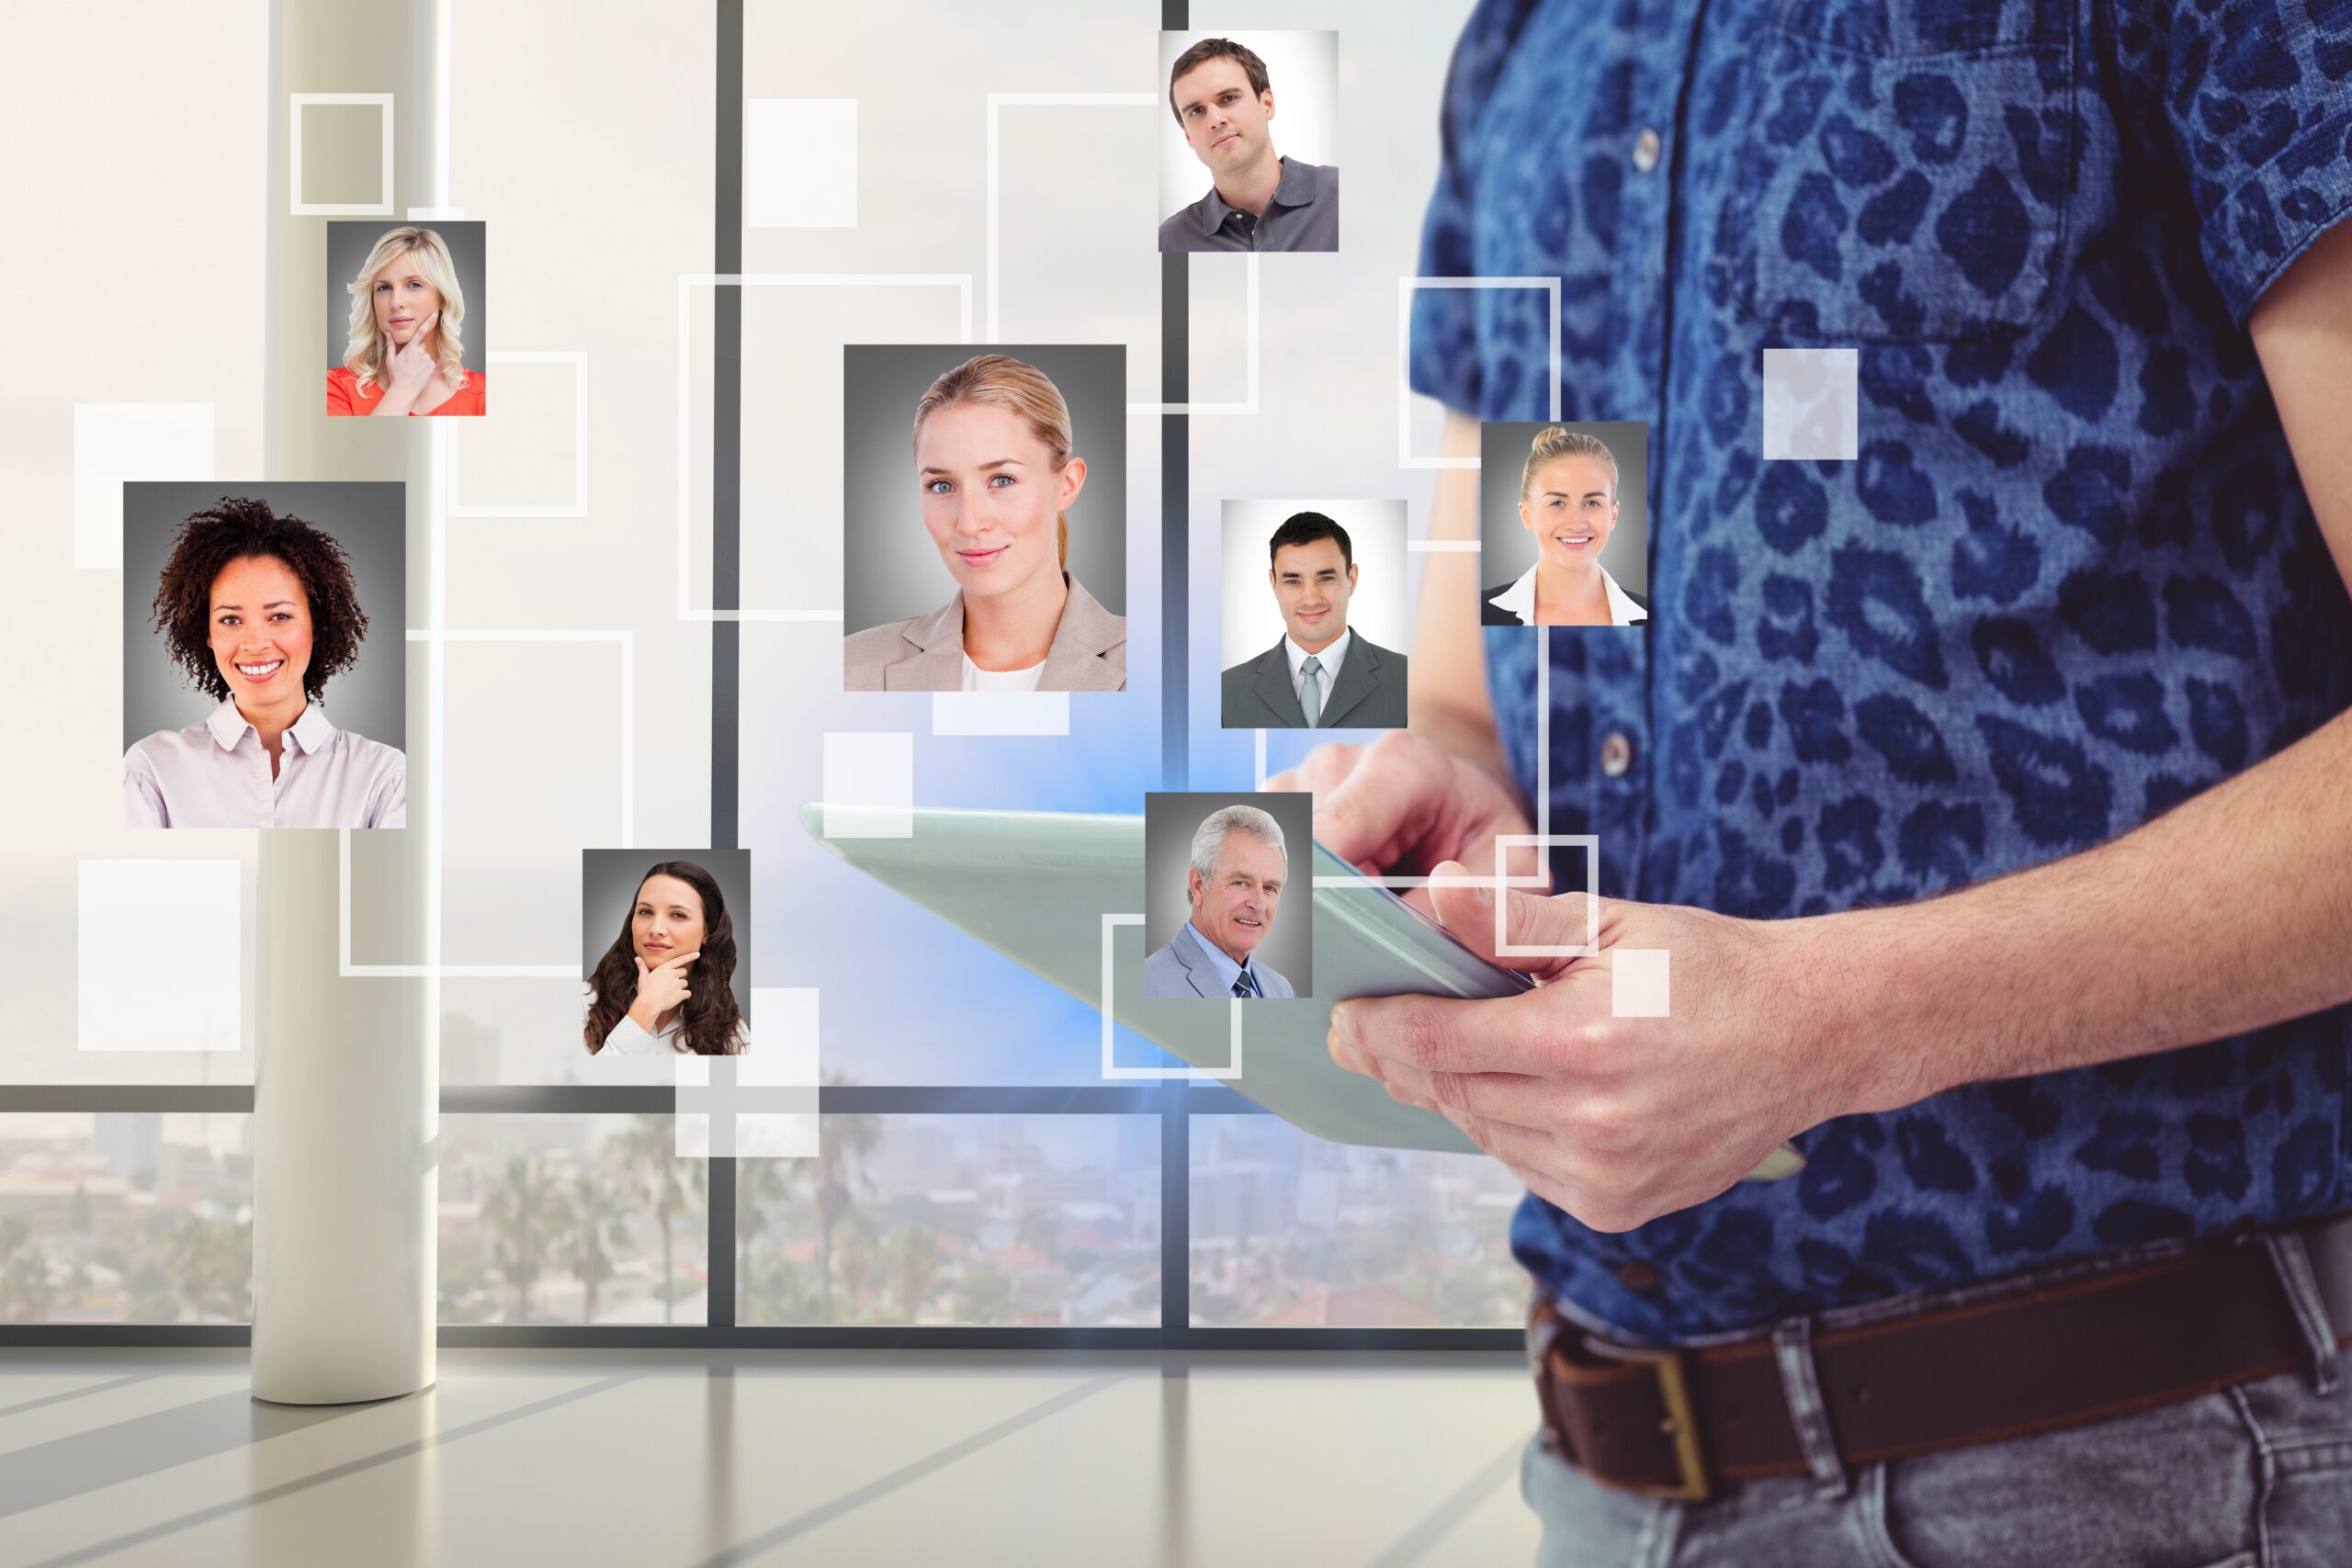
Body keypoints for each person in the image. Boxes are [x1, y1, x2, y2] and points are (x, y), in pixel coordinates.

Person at [1274, 2, 2352, 1559]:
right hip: (1610, 1474)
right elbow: (1480, 681)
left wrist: (1828, 1022)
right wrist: (1445, 795)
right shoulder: (1520, 46)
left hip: (2162, 1471)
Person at [844, 353, 1125, 691]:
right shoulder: (851, 669)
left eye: (1002, 480)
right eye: (942, 485)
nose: (969, 522)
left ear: (1067, 484)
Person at [124, 496, 405, 829]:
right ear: (208, 634)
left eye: (280, 616)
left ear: (317, 625)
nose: (255, 643)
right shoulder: (151, 769)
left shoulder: (384, 776)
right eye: (230, 620)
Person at [1222, 510, 1410, 728]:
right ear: (1274, 583)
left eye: (1326, 578)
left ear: (1352, 579)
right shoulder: (1226, 691)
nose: (1311, 599)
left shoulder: (1408, 681)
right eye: (1293, 581)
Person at [1158, 37, 1339, 254]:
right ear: (1187, 134)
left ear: (1267, 104)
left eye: (1228, 98)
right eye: (1196, 111)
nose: (1215, 120)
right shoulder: (1170, 242)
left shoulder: (1343, 195)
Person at [1481, 426, 1649, 627]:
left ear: (1613, 515)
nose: (1577, 523)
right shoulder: (1478, 612)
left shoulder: (1653, 617)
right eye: (1557, 503)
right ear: (1527, 516)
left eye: (1592, 503)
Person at [583, 861, 749, 1056]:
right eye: (645, 912)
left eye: (678, 915)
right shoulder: (582, 1003)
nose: (656, 929)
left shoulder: (731, 1032)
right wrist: (645, 1008)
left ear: (707, 931)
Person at [326, 225, 487, 416]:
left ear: (442, 298)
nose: (396, 302)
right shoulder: (337, 387)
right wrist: (402, 390)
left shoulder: (486, 395)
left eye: (414, 284)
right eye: (384, 288)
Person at [1144, 805, 1296, 998]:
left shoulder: (1282, 989)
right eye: (1241, 883)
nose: (1259, 904)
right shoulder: (1150, 984)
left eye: (1269, 888)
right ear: (1198, 885)